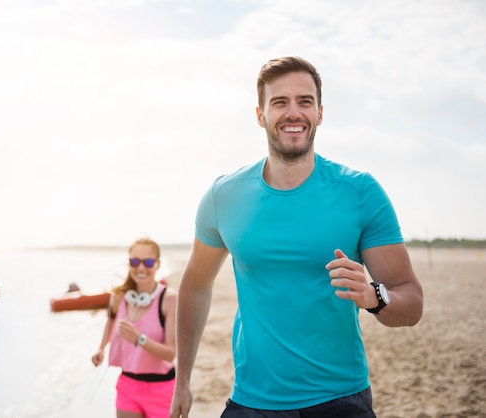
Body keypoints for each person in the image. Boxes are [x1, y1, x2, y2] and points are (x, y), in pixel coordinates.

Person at [169, 56, 424, 418]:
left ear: (320, 112)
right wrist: (183, 380)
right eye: (279, 102)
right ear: (260, 115)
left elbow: (411, 303)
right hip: (250, 402)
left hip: (339, 401)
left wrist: (372, 296)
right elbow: (195, 285)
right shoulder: (223, 196)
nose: (293, 113)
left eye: (305, 101)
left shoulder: (360, 192)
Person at [92, 237, 178, 418]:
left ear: (157, 264)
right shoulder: (119, 296)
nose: (140, 268)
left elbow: (171, 353)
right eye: (134, 261)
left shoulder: (169, 300)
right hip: (127, 385)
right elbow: (111, 322)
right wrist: (101, 348)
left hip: (161, 389)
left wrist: (139, 338)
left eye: (147, 262)